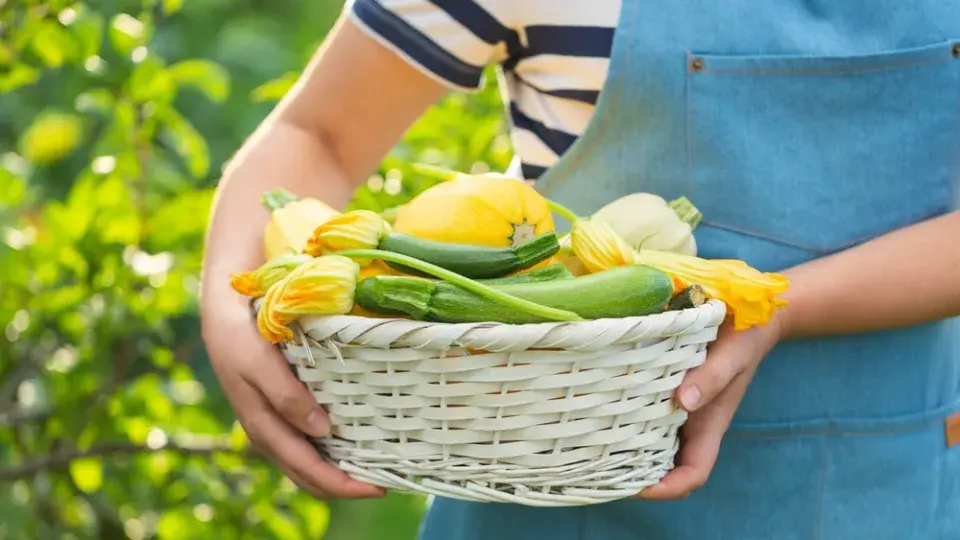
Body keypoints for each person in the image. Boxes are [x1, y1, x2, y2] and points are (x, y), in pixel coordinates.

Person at [200, 0, 960, 537]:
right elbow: (319, 134)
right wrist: (226, 309)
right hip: (547, 505)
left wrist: (781, 307)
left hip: (898, 497)